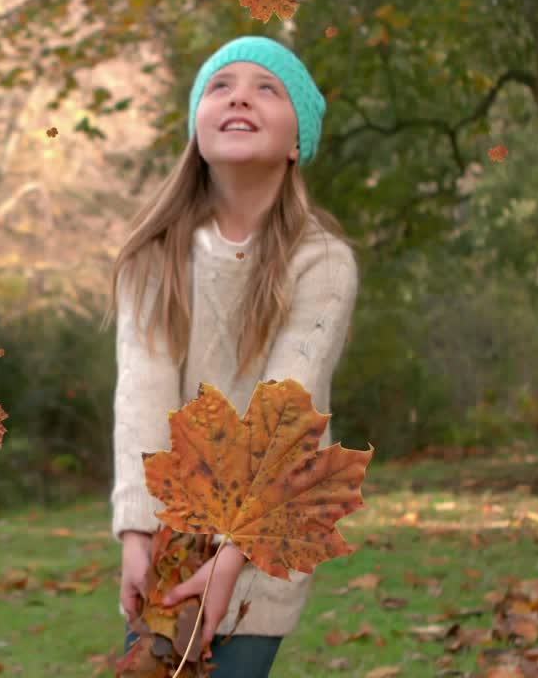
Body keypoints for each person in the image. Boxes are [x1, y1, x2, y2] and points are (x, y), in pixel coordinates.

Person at [99, 35, 360, 676]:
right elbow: (142, 396)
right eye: (220, 85)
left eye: (267, 88)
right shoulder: (153, 258)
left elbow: (285, 412)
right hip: (171, 539)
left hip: (264, 532)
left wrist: (234, 552)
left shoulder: (322, 263)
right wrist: (139, 536)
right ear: (196, 127)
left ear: (298, 141)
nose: (239, 93)